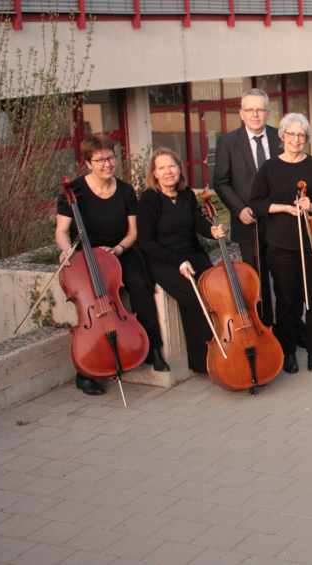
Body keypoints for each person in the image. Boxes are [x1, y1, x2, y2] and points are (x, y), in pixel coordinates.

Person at [55, 134, 170, 395]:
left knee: (141, 285)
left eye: (111, 157)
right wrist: (67, 251)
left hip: (118, 251)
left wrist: (118, 249)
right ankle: (85, 371)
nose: (108, 164)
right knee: (90, 300)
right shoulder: (73, 191)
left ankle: (153, 349)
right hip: (85, 255)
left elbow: (133, 232)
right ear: (87, 163)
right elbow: (61, 231)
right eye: (101, 159)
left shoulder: (126, 190)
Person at [249, 113, 312, 374]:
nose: (296, 139)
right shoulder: (270, 167)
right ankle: (288, 352)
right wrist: (283, 208)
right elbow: (256, 201)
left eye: (301, 135)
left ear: (306, 138)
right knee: (286, 301)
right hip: (281, 244)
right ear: (282, 136)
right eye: (291, 134)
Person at [136, 148, 225, 374]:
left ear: (179, 169)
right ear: (154, 173)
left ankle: (226, 348)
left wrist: (212, 230)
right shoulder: (149, 199)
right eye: (162, 168)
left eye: (172, 166)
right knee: (196, 298)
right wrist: (178, 261)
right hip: (164, 259)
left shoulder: (185, 195)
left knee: (219, 291)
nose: (168, 172)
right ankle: (205, 360)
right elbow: (146, 242)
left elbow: (198, 223)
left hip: (192, 255)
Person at [212, 88, 281, 328]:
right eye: (250, 110)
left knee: (284, 277)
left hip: (279, 222)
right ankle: (264, 326)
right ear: (241, 114)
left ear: (268, 112)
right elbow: (220, 181)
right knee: (257, 279)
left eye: (260, 110)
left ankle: (288, 329)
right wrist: (239, 208)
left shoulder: (280, 137)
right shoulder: (228, 142)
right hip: (248, 223)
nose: (255, 115)